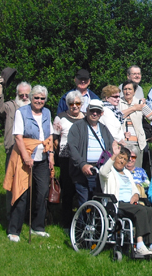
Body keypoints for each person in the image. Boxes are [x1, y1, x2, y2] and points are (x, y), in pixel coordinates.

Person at [3, 85, 54, 242]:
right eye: (36, 98)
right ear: (31, 98)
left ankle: (38, 226)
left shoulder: (47, 112)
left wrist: (51, 155)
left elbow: (49, 135)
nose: (39, 101)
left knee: (43, 192)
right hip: (25, 157)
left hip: (42, 158)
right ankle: (14, 230)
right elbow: (18, 137)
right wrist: (26, 157)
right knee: (22, 193)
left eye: (42, 98)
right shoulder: (21, 112)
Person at [99, 144, 152, 259]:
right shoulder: (109, 172)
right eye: (120, 157)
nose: (122, 161)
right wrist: (114, 155)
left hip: (130, 204)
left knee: (150, 211)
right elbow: (103, 172)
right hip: (116, 203)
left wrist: (135, 194)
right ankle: (139, 245)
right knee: (140, 210)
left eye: (125, 159)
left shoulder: (127, 173)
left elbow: (134, 189)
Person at [67, 100, 115, 206]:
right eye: (92, 110)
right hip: (83, 171)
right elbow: (72, 148)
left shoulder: (103, 128)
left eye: (98, 111)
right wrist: (82, 164)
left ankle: (96, 222)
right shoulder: (77, 127)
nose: (94, 113)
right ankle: (82, 222)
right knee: (85, 202)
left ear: (101, 113)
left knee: (99, 201)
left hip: (100, 170)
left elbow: (112, 146)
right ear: (87, 110)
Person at [53, 90, 85, 229]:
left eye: (77, 103)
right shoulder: (60, 118)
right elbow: (55, 140)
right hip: (66, 159)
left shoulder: (86, 118)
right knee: (67, 190)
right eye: (71, 103)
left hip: (83, 159)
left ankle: (81, 222)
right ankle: (66, 223)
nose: (75, 106)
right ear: (67, 104)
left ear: (81, 104)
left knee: (81, 191)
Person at [0, 74, 31, 169]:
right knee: (11, 180)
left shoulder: (35, 108)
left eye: (27, 95)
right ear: (16, 95)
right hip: (13, 149)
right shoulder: (11, 106)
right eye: (21, 95)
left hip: (31, 149)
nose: (24, 97)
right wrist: (0, 89)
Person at [119, 80, 152, 168]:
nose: (127, 91)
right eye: (125, 89)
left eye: (130, 89)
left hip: (138, 143)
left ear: (134, 91)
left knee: (136, 168)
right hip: (123, 143)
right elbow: (118, 116)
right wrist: (133, 108)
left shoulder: (140, 103)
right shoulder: (118, 103)